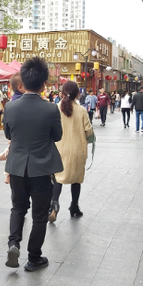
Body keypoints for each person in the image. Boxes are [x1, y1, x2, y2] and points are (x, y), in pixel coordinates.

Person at [3, 57, 63, 272]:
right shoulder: (50, 109)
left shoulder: (10, 107)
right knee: (39, 216)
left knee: (18, 208)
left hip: (17, 167)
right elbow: (57, 136)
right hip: (41, 169)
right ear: (43, 83)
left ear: (23, 81)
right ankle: (34, 257)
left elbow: (9, 134)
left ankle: (13, 243)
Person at [49, 81, 93, 223]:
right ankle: (74, 207)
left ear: (62, 93)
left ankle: (54, 206)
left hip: (59, 149)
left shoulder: (55, 108)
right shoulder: (81, 110)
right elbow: (88, 130)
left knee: (58, 178)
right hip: (77, 150)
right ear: (77, 93)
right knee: (76, 179)